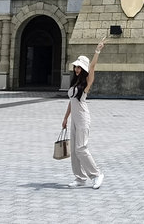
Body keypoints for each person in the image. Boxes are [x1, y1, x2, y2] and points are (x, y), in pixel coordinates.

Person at [62, 37, 106, 189]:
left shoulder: (86, 83)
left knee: (81, 148)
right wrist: (65, 118)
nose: (77, 69)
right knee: (74, 150)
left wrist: (97, 50)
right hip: (74, 117)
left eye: (79, 67)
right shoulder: (75, 83)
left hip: (82, 117)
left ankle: (96, 174)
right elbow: (71, 102)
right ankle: (80, 178)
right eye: (76, 67)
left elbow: (92, 67)